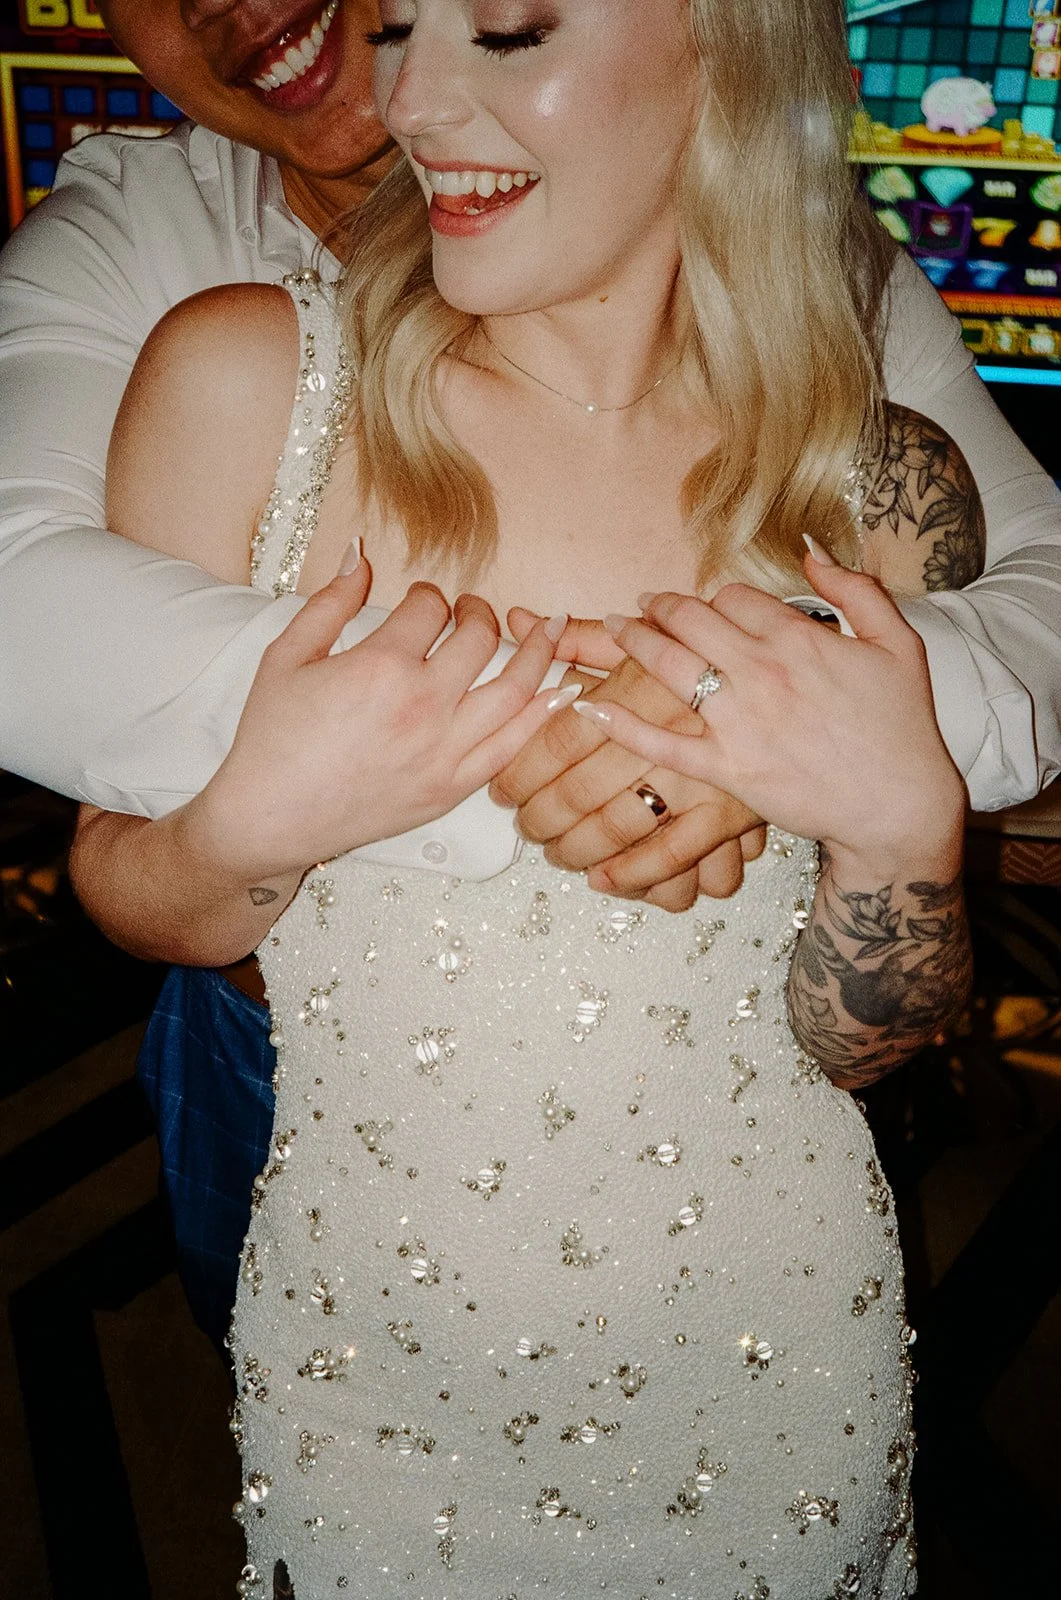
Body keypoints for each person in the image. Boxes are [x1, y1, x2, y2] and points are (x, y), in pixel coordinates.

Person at [70, 0, 982, 1590]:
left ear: (724, 51)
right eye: (404, 24)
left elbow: (865, 1045)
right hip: (375, 1385)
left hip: (778, 1368)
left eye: (503, 29)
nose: (410, 100)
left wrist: (908, 835)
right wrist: (258, 824)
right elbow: (134, 898)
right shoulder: (248, 382)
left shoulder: (876, 481)